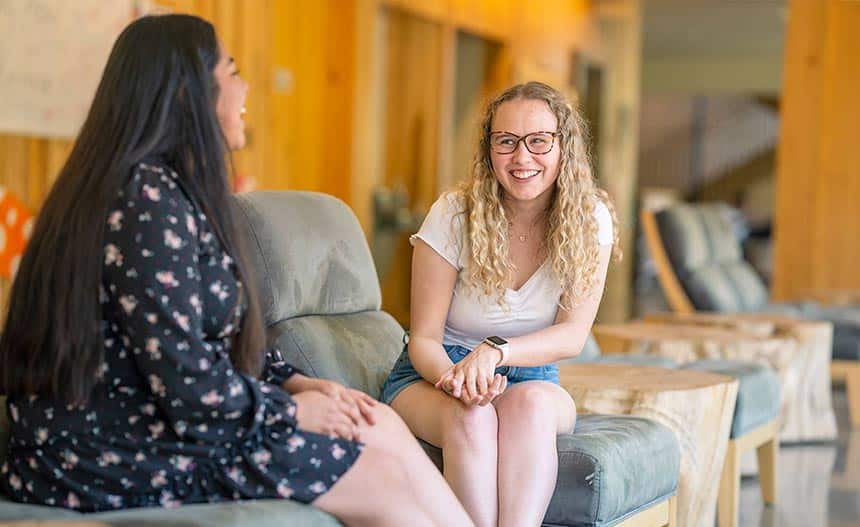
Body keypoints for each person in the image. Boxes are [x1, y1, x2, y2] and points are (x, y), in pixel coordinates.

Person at [0, 15, 473, 527]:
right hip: (101, 449)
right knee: (378, 474)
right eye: (232, 70)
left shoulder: (171, 193)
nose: (245, 85)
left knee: (378, 423)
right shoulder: (142, 200)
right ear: (189, 93)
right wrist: (291, 413)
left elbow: (217, 345)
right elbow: (186, 379)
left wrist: (300, 386)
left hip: (160, 424)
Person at [380, 81, 621, 526]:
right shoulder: (454, 213)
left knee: (529, 408)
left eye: (539, 141)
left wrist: (496, 353)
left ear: (563, 145)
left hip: (532, 376)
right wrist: (459, 380)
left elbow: (572, 335)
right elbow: (424, 339)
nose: (522, 157)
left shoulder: (590, 219)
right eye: (506, 141)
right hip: (435, 375)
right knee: (472, 418)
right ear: (489, 149)